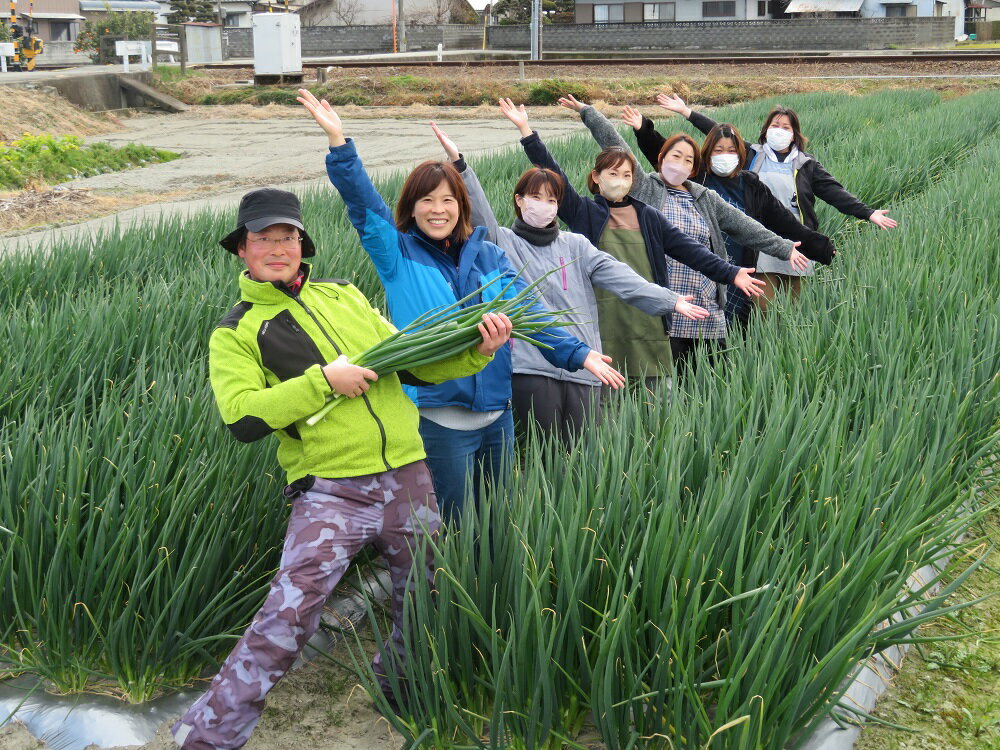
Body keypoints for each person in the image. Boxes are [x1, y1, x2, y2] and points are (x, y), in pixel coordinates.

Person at [171, 187, 510, 750]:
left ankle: (397, 687)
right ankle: (208, 737)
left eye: (287, 237)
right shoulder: (237, 330)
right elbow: (242, 418)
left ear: (302, 244)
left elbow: (410, 363)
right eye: (263, 239)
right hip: (332, 492)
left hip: (408, 475)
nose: (277, 248)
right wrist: (323, 382)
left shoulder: (345, 295)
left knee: (427, 594)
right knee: (288, 619)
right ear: (242, 250)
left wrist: (475, 352)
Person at [297, 89, 625, 523]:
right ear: (411, 208)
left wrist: (578, 353)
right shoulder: (397, 255)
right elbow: (364, 206)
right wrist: (340, 144)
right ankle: (445, 589)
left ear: (461, 206)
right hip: (438, 417)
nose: (438, 210)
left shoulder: (489, 255)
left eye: (448, 200)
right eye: (427, 201)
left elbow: (529, 314)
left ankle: (490, 585)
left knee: (496, 521)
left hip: (498, 415)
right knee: (450, 525)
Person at [429, 121, 711, 445]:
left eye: (552, 200)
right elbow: (480, 216)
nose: (545, 206)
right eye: (536, 197)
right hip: (533, 367)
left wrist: (669, 299)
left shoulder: (576, 245)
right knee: (546, 453)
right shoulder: (503, 242)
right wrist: (460, 166)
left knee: (584, 456)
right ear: (519, 200)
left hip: (585, 365)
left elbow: (622, 278)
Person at [498, 97, 765, 389]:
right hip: (601, 325)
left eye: (626, 175)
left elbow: (691, 251)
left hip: (649, 323)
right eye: (612, 174)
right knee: (607, 411)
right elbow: (553, 173)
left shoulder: (648, 216)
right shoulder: (585, 213)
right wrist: (527, 132)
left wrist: (730, 272)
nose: (620, 180)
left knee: (656, 406)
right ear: (596, 177)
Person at [555, 95, 809, 372]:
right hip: (667, 307)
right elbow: (615, 143)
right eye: (675, 156)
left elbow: (745, 226)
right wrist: (588, 112)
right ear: (661, 158)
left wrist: (784, 248)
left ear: (694, 167)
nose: (681, 163)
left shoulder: (704, 197)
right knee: (669, 381)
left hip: (707, 307)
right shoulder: (646, 188)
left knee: (711, 383)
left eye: (689, 159)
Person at [655, 94, 897, 311]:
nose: (779, 130)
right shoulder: (753, 155)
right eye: (774, 125)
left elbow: (835, 192)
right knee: (762, 308)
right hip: (761, 246)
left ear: (795, 133)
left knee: (794, 310)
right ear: (766, 129)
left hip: (798, 242)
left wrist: (868, 213)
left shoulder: (806, 164)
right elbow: (720, 134)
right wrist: (687, 112)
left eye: (785, 127)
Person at [622, 108, 837, 328]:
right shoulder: (697, 178)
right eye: (718, 150)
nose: (725, 155)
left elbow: (784, 222)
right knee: (690, 325)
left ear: (740, 154)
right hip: (695, 269)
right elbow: (669, 155)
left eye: (732, 150)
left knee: (734, 328)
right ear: (708, 153)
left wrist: (819, 246)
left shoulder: (752, 186)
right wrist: (643, 129)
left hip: (738, 271)